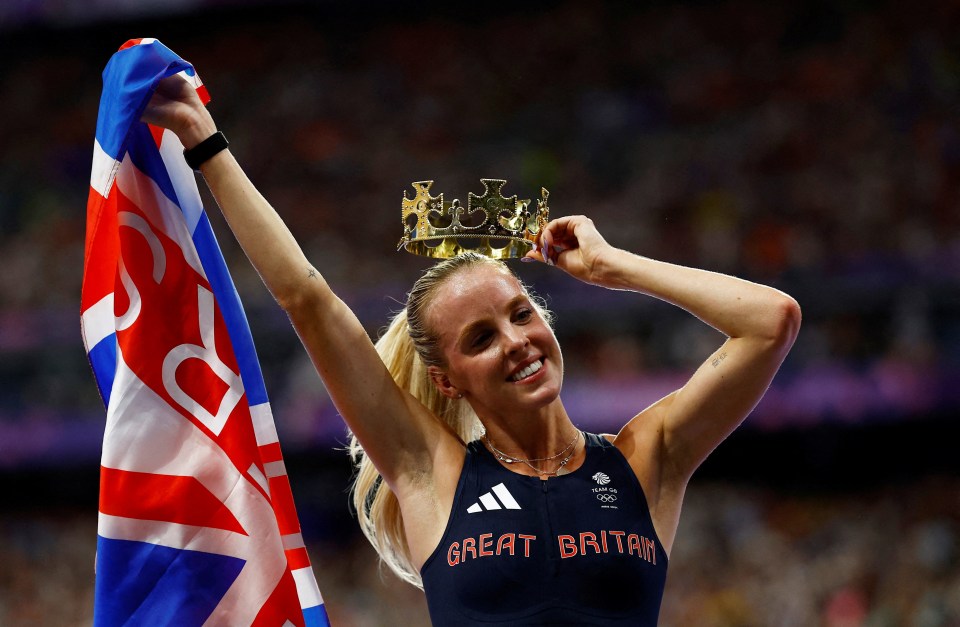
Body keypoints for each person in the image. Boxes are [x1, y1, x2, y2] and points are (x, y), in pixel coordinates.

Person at [143, 73, 801, 626]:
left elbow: (772, 321)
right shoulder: (430, 471)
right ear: (448, 379)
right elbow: (308, 298)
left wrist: (615, 268)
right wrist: (208, 145)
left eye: (521, 315)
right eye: (481, 338)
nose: (517, 342)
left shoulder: (646, 459)